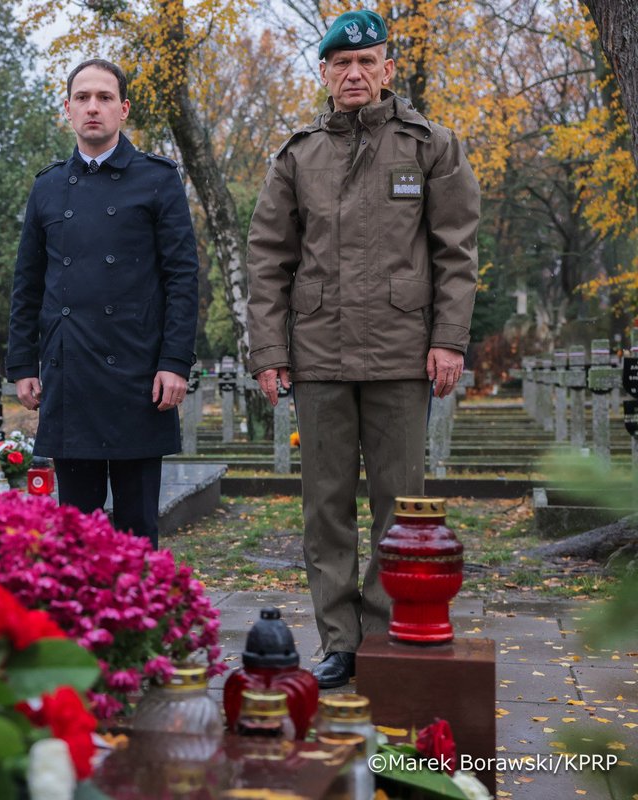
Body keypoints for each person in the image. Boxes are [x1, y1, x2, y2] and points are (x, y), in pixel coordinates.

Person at [246, 10, 480, 688]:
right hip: (318, 353)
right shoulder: (298, 156)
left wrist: (448, 341)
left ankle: (385, 636)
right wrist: (270, 351)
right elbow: (267, 259)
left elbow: (456, 253)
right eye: (341, 64)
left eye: (366, 62)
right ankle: (340, 643)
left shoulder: (430, 146)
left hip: (402, 353)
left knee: (399, 505)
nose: (354, 74)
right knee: (324, 508)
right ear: (324, 73)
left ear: (386, 69)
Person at [6, 58, 200, 548]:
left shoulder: (158, 179)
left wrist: (175, 362)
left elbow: (182, 278)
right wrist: (23, 363)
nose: (93, 107)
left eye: (105, 97)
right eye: (83, 97)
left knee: (137, 533)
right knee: (76, 534)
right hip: (71, 376)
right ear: (67, 109)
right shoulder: (48, 186)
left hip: (138, 376)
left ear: (123, 109)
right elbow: (28, 283)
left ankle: (140, 603)